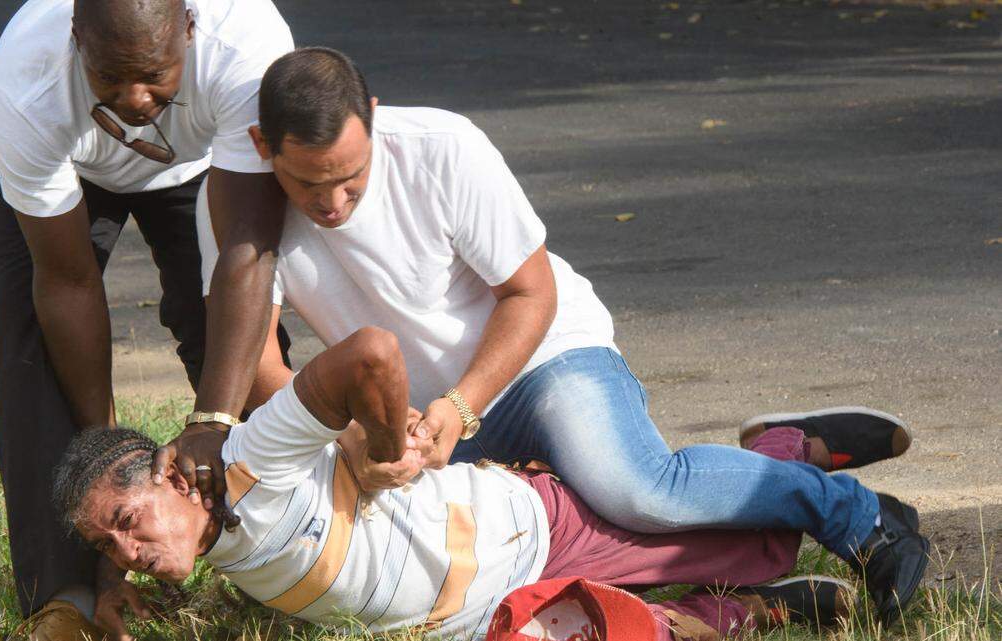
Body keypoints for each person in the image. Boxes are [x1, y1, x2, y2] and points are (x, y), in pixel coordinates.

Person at [193, 47, 930, 627]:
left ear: (375, 119)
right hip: (421, 422)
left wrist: (458, 408)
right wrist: (356, 438)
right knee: (544, 567)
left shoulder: (442, 146)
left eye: (351, 178)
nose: (332, 202)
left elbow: (530, 292)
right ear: (262, 145)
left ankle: (864, 518)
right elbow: (258, 358)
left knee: (636, 490)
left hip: (543, 358)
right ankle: (779, 460)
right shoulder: (232, 210)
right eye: (307, 185)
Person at [55, 327, 858, 641]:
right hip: (484, 618)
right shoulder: (191, 541)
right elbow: (129, 551)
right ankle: (750, 610)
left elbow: (370, 352)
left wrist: (378, 442)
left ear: (173, 470)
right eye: (108, 545)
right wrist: (109, 592)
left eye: (129, 521)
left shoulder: (254, 452)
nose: (129, 550)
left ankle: (788, 450)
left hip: (529, 531)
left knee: (733, 525)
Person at [0, 0, 294, 637]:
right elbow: (66, 284)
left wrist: (212, 419)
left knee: (235, 345)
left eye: (154, 74)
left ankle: (284, 549)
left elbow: (246, 252)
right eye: (110, 78)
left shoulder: (247, 49)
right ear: (75, 40)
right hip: (70, 168)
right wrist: (107, 455)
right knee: (33, 344)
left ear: (190, 29)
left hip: (205, 165)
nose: (136, 98)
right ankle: (65, 596)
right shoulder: (24, 85)